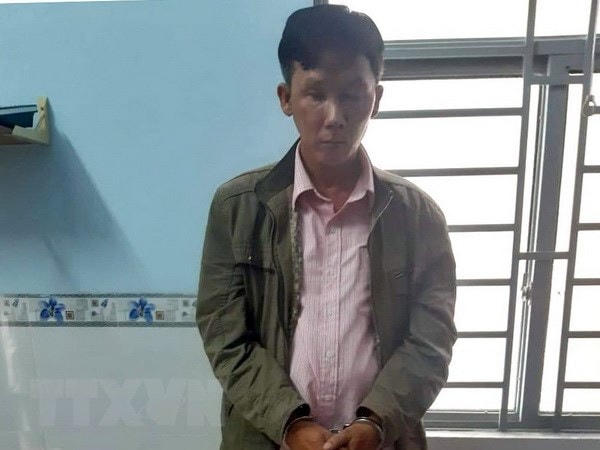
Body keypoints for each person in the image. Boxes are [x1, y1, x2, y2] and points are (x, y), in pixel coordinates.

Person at [196, 5, 456, 450]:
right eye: (315, 94)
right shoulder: (237, 208)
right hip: (269, 439)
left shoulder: (417, 216)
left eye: (352, 95)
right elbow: (225, 335)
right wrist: (290, 423)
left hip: (382, 441)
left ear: (376, 99)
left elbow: (431, 341)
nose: (334, 116)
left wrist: (376, 422)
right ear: (285, 98)